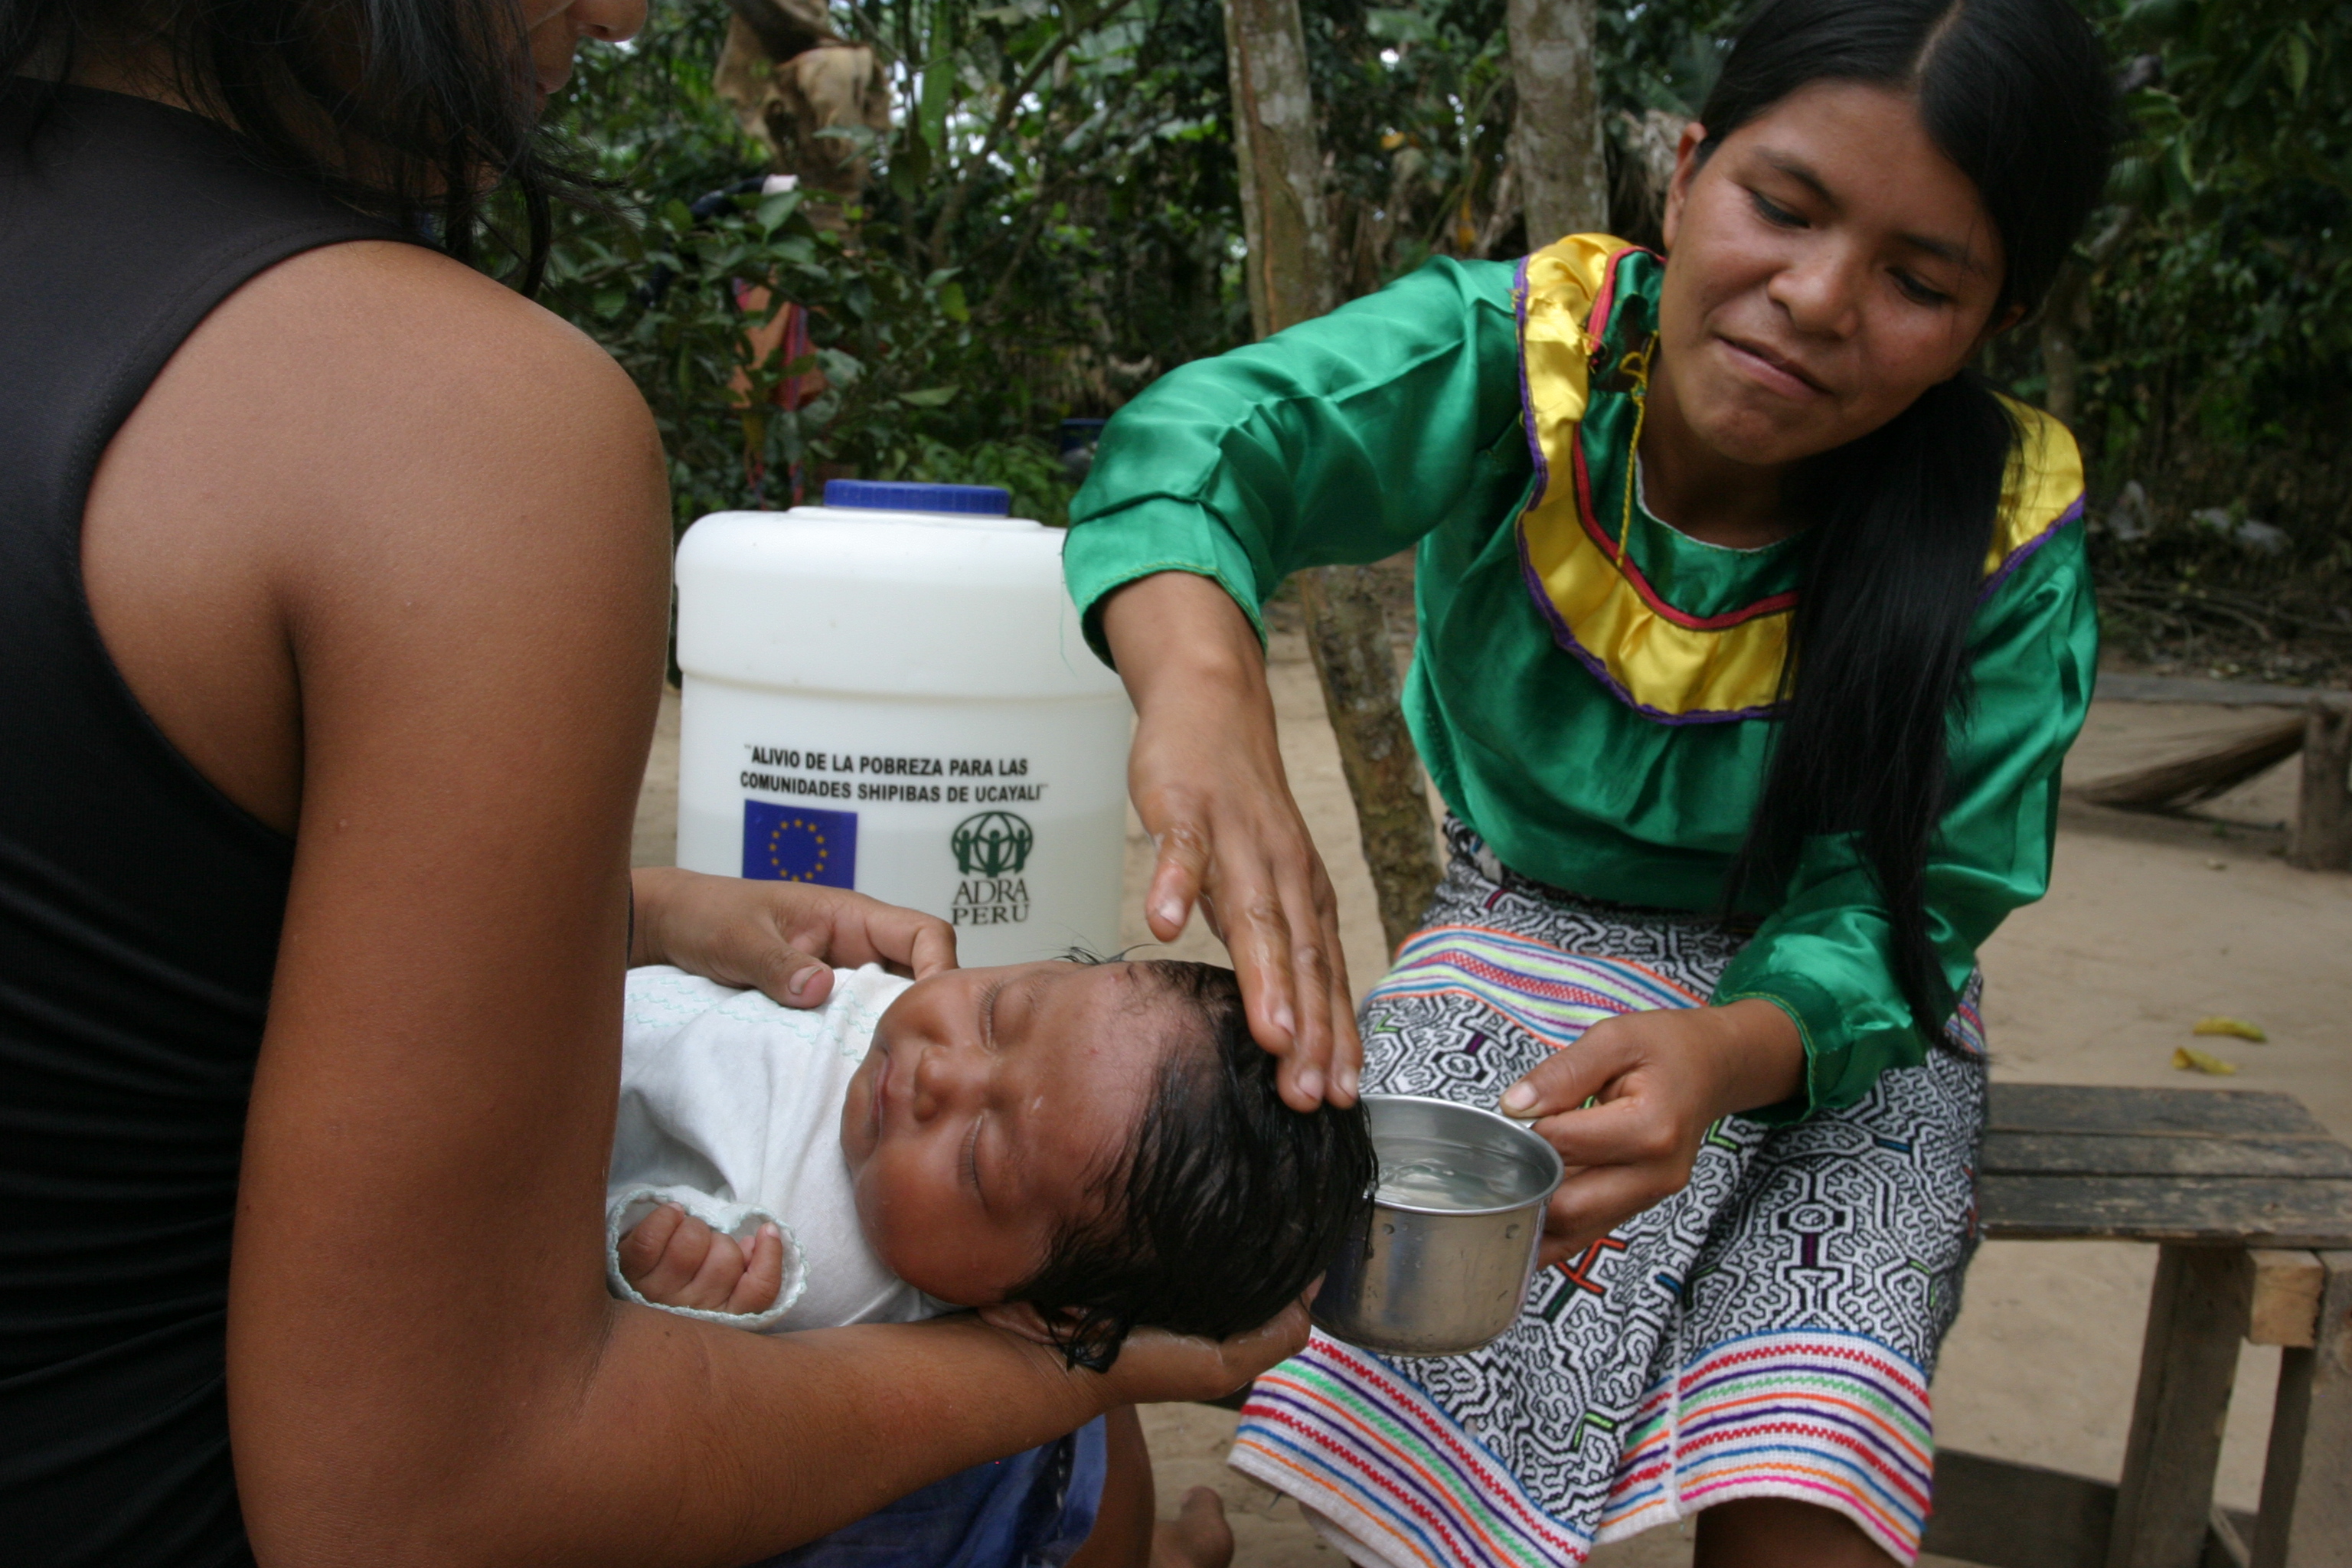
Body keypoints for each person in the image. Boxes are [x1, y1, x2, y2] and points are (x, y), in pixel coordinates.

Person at [0, 5, 1309, 1566]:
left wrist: (626, 915)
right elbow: (416, 1516)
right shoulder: (442, 419)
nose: (621, 13)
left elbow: (133, 969)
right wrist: (1086, 1364)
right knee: (1041, 1455)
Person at [1060, 0, 2112, 1562]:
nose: (1817, 298)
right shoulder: (1524, 356)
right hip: (1521, 925)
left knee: (1811, 1434)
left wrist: (1730, 1051)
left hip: (1847, 1002)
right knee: (1449, 1301)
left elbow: (1909, 900)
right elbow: (1214, 439)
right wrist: (1204, 694)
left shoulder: (2006, 528)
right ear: (1685, 176)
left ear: (1991, 319)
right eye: (1785, 204)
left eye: (1918, 278)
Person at [602, 955, 1371, 1566]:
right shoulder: (902, 1007)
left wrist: (660, 1265)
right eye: (1001, 1014)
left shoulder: (810, 1273)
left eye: (979, 1160)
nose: (941, 1072)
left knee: (1072, 1411)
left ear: (1035, 1314)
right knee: (1088, 1401)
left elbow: (590, 1341)